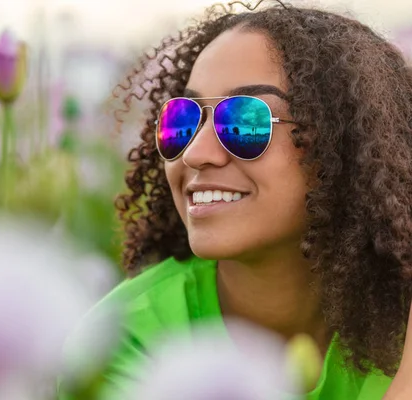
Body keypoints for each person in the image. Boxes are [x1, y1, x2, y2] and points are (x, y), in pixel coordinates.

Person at [60, 1, 412, 399]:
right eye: (182, 121)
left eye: (244, 120)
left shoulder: (397, 313)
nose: (195, 152)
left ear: (344, 144)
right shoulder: (119, 341)